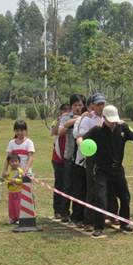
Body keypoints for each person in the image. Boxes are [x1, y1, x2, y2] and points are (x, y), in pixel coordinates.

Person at [81, 105, 133, 237]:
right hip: (101, 170)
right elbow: (82, 138)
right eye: (110, 121)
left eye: (114, 121)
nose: (113, 124)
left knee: (125, 197)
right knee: (101, 198)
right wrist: (82, 146)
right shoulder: (96, 130)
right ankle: (98, 226)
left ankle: (124, 222)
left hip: (117, 169)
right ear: (104, 118)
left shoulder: (123, 128)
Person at [74, 93, 106, 231]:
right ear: (92, 105)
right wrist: (84, 149)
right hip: (91, 159)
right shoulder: (87, 119)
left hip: (106, 158)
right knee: (91, 190)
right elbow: (80, 137)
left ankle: (106, 216)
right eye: (98, 104)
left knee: (105, 190)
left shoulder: (108, 118)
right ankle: (89, 220)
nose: (101, 107)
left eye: (102, 104)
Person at [58, 95, 85, 224]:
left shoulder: (87, 116)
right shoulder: (66, 117)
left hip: (82, 157)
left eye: (80, 105)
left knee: (78, 186)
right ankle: (64, 212)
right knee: (67, 185)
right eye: (75, 105)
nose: (78, 108)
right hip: (69, 155)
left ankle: (78, 213)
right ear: (71, 106)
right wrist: (75, 121)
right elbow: (60, 131)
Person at [50, 104, 70, 220]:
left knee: (68, 186)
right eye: (63, 110)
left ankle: (65, 211)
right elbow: (54, 132)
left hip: (69, 157)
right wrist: (59, 120)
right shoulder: (56, 121)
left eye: (67, 110)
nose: (65, 113)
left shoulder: (73, 121)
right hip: (58, 158)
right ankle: (57, 210)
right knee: (59, 184)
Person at [3, 154, 24, 225]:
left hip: (18, 192)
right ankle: (12, 218)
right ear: (9, 163)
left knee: (18, 205)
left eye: (16, 161)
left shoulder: (20, 171)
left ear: (19, 162)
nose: (14, 163)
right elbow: (4, 180)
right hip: (11, 192)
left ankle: (19, 218)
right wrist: (5, 177)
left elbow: (22, 181)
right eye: (12, 161)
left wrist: (15, 180)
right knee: (11, 206)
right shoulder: (9, 172)